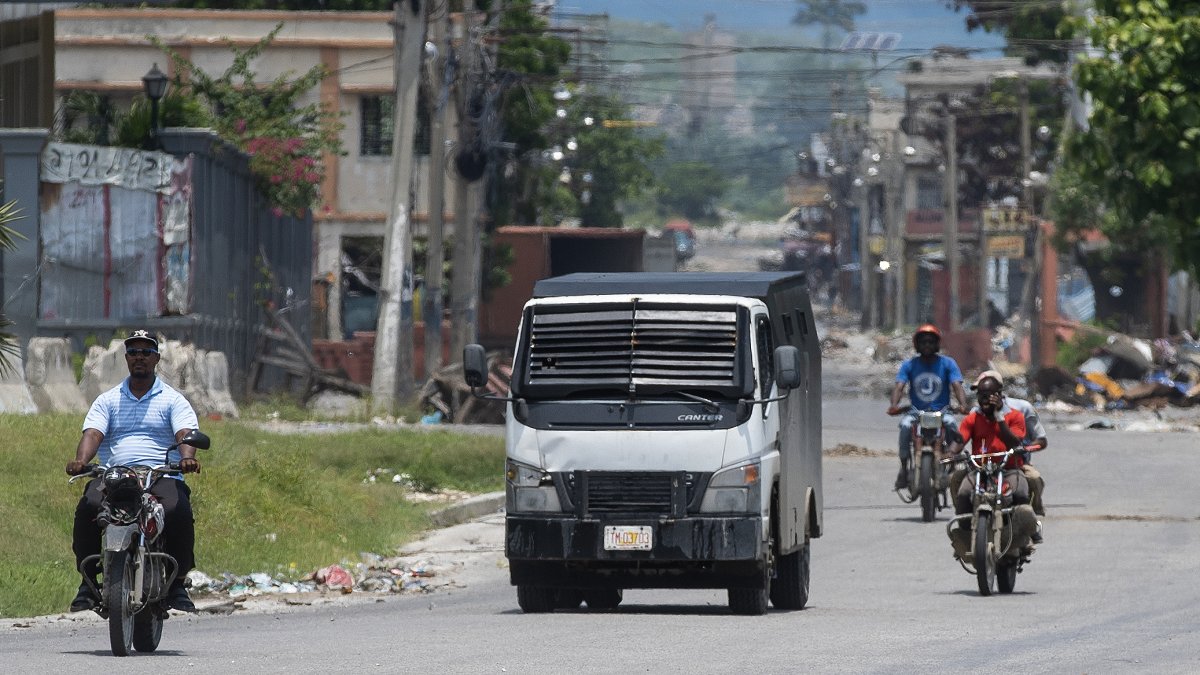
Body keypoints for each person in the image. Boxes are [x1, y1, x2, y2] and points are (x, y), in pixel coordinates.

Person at [66, 329, 202, 613]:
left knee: (177, 508)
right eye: (133, 352)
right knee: (89, 505)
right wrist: (81, 460)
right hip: (116, 475)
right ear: (126, 358)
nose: (139, 357)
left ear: (156, 358)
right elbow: (93, 434)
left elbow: (186, 433)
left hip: (160, 475)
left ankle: (177, 582)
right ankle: (88, 582)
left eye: (146, 352)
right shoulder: (109, 400)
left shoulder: (172, 400)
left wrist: (187, 458)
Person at [886, 324, 969, 489]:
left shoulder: (948, 363)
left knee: (952, 425)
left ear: (937, 344)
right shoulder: (909, 365)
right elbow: (899, 386)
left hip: (941, 412)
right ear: (917, 345)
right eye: (923, 342)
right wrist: (894, 405)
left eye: (931, 342)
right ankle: (904, 468)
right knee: (904, 427)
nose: (927, 345)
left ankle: (951, 460)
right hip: (916, 413)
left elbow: (957, 386)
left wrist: (962, 405)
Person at [952, 372, 1030, 516]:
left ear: (999, 395)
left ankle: (1025, 529)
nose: (985, 401)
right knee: (963, 493)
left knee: (1020, 493)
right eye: (981, 396)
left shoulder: (1015, 416)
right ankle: (963, 533)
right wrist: (950, 453)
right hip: (980, 470)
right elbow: (959, 442)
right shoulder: (972, 418)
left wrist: (999, 416)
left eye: (989, 396)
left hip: (1009, 469)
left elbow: (1014, 442)